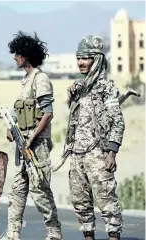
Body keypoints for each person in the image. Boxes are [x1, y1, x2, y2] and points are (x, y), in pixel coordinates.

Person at [3, 31, 63, 240]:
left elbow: (48, 113)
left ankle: (54, 232)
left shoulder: (41, 79)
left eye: (17, 53)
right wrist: (12, 129)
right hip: (23, 144)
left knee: (40, 190)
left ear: (25, 56)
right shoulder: (25, 81)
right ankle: (12, 234)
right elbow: (18, 109)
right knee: (17, 191)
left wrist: (32, 137)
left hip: (37, 146)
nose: (14, 57)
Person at [65, 35, 125, 240]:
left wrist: (112, 152)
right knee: (80, 204)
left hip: (98, 154)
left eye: (86, 57)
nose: (81, 62)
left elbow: (117, 121)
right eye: (78, 57)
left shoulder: (106, 88)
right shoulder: (78, 88)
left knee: (107, 202)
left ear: (97, 59)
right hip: (77, 154)